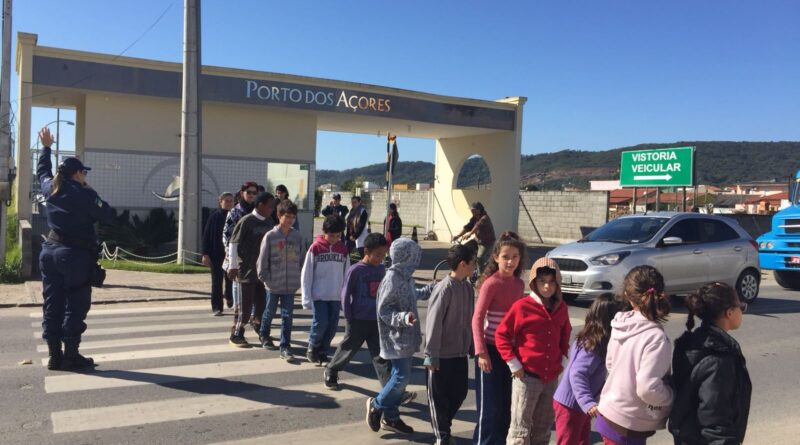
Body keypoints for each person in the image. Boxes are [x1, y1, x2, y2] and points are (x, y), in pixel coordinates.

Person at [36, 127, 114, 370]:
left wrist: (46, 148)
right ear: (77, 173)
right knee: (75, 303)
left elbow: (42, 172)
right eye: (83, 172)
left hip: (49, 251)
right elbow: (108, 214)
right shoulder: (83, 194)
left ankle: (53, 355)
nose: (84, 176)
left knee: (52, 303)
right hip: (74, 256)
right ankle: (70, 355)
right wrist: (91, 191)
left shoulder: (52, 187)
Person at [495, 257, 572, 445]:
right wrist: (514, 364)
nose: (547, 287)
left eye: (551, 282)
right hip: (526, 377)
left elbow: (565, 335)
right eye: (542, 282)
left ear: (557, 283)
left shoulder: (561, 308)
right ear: (534, 282)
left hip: (550, 378)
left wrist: (562, 361)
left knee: (543, 429)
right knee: (520, 430)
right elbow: (501, 335)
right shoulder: (522, 306)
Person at [597, 265, 673, 445]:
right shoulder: (656, 338)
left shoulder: (620, 323)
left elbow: (610, 363)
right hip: (628, 425)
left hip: (609, 413)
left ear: (628, 297)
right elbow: (647, 387)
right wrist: (670, 395)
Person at [669, 282, 751, 445]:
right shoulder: (718, 360)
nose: (742, 310)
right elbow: (715, 419)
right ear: (729, 313)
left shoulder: (693, 343)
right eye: (740, 307)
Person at [366, 238, 434, 435]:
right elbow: (384, 311)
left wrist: (429, 289)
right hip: (395, 337)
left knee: (400, 377)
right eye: (413, 257)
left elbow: (412, 294)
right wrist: (403, 318)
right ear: (405, 257)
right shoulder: (392, 279)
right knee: (401, 377)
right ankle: (377, 405)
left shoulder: (406, 277)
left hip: (406, 336)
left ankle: (392, 417)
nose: (416, 261)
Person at [471, 232, 527, 445]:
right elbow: (477, 318)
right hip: (490, 352)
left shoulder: (519, 285)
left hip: (509, 353)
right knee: (489, 410)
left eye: (514, 256)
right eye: (505, 256)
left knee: (506, 407)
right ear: (495, 257)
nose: (510, 261)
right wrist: (481, 351)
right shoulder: (491, 284)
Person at [424, 244, 476, 445]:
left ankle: (444, 426)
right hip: (440, 355)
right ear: (463, 264)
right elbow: (433, 322)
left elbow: (470, 319)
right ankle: (442, 437)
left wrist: (471, 344)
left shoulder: (467, 287)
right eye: (473, 262)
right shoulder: (444, 288)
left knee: (459, 393)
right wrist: (431, 354)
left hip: (459, 353)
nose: (475, 266)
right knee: (438, 399)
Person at [324, 233, 391, 390]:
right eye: (378, 255)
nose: (381, 259)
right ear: (366, 251)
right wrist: (348, 315)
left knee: (381, 355)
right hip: (357, 319)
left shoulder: (382, 270)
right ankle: (332, 369)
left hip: (376, 319)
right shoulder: (355, 270)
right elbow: (345, 294)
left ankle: (390, 389)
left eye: (383, 255)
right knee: (348, 348)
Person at [553, 293, 620, 445]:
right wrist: (588, 402)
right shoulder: (593, 344)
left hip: (579, 405)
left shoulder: (593, 338)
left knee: (583, 440)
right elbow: (577, 373)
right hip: (570, 405)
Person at [226, 192, 276, 347]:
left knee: (262, 304)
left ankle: (258, 325)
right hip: (245, 270)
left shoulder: (269, 222)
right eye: (270, 206)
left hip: (262, 272)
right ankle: (236, 333)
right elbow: (233, 243)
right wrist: (232, 265)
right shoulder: (246, 221)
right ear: (260, 205)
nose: (272, 209)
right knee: (244, 306)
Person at [257, 200, 305, 361]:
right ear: (279, 216)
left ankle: (285, 346)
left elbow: (302, 260)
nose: (290, 220)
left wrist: (300, 279)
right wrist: (265, 278)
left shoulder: (297, 236)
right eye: (287, 216)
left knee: (287, 316)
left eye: (293, 217)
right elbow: (262, 261)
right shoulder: (270, 236)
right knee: (269, 312)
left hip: (290, 285)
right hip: (272, 284)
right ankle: (264, 334)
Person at [301, 215, 349, 365]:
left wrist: (345, 296)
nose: (334, 238)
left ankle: (323, 351)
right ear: (324, 231)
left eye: (338, 235)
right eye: (331, 235)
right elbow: (306, 273)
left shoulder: (343, 249)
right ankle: (312, 346)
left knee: (332, 326)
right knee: (320, 322)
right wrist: (306, 297)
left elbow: (347, 273)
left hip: (335, 296)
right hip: (319, 295)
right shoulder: (315, 248)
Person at [223, 181, 260, 321]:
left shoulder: (258, 211)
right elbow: (227, 235)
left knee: (255, 287)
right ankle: (238, 312)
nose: (251, 195)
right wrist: (231, 255)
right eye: (248, 192)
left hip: (255, 257)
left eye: (254, 193)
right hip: (239, 257)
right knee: (238, 284)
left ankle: (254, 315)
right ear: (242, 193)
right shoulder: (235, 211)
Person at [202, 192, 235, 316]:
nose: (228, 203)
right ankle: (217, 307)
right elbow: (206, 236)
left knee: (230, 278)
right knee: (216, 281)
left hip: (230, 254)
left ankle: (229, 296)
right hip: (215, 254)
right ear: (220, 202)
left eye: (231, 201)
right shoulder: (214, 217)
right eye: (226, 200)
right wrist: (205, 254)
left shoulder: (235, 216)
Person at [452, 201, 496, 274]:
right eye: (471, 210)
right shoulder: (474, 217)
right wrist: (458, 235)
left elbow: (477, 227)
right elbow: (468, 226)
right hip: (477, 240)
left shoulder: (484, 218)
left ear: (479, 210)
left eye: (473, 210)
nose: (472, 211)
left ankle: (480, 277)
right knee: (463, 250)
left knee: (480, 258)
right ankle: (470, 267)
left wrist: (469, 234)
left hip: (486, 243)